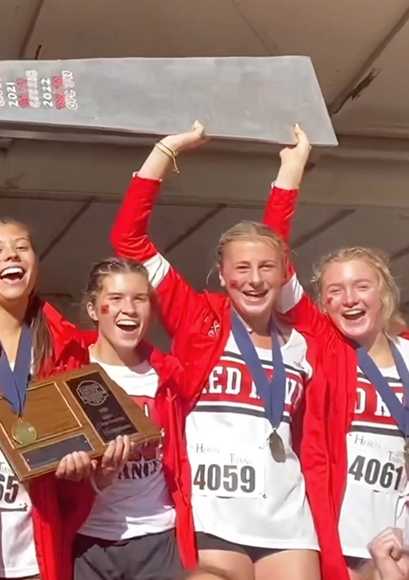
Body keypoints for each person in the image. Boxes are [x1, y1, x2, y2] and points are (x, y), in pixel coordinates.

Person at [110, 122, 327, 580]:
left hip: (287, 520)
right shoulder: (198, 320)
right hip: (212, 517)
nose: (254, 278)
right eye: (241, 267)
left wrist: (291, 171)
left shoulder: (302, 335)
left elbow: (276, 241)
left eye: (266, 267)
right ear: (222, 274)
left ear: (283, 273)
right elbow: (129, 239)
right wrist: (165, 151)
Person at [0, 217, 132, 580]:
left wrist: (87, 473)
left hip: (36, 551)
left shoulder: (65, 347)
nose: (12, 255)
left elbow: (78, 457)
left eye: (22, 248)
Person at [264, 147, 409, 580]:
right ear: (322, 305)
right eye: (334, 292)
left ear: (382, 291)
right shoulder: (327, 348)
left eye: (360, 286)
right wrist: (291, 170)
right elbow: (273, 258)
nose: (349, 299)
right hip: (340, 545)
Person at [73, 257, 193, 580]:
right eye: (115, 299)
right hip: (87, 541)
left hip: (158, 538)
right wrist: (92, 476)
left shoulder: (167, 375)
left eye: (140, 299)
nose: (130, 308)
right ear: (93, 309)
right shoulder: (69, 371)